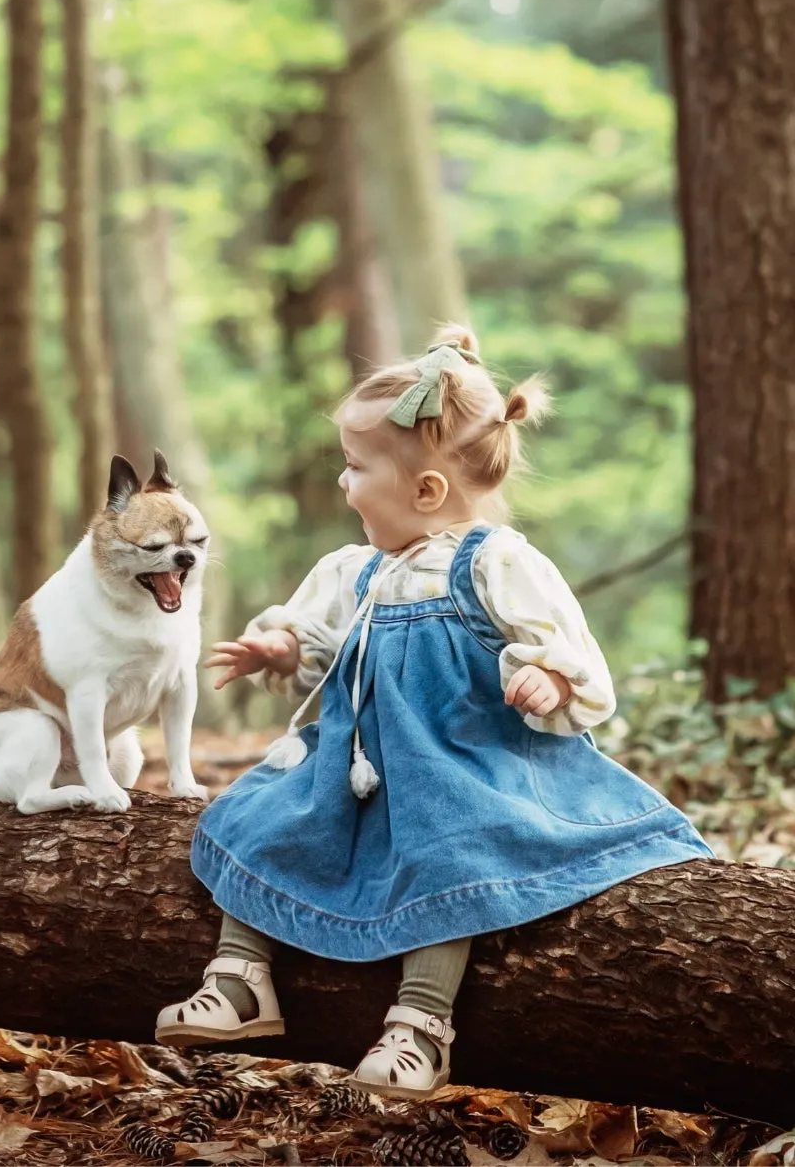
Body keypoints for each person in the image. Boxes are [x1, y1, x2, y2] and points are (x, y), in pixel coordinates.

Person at [155, 325, 712, 1099]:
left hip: (461, 760)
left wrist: (549, 679)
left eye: (355, 468)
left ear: (425, 491)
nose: (344, 485)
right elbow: (317, 638)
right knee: (264, 816)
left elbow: (568, 651)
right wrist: (281, 650)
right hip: (354, 761)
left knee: (451, 852)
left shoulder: (496, 561)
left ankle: (420, 1024)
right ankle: (242, 980)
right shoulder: (354, 569)